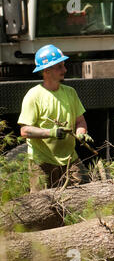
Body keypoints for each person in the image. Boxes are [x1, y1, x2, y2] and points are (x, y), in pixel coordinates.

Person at [18, 44, 93, 192]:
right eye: (59, 66)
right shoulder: (33, 96)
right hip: (42, 161)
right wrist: (51, 133)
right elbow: (25, 131)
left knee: (84, 196)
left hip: (70, 158)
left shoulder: (70, 92)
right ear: (46, 70)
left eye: (63, 65)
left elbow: (80, 121)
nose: (64, 70)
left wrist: (81, 134)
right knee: (44, 205)